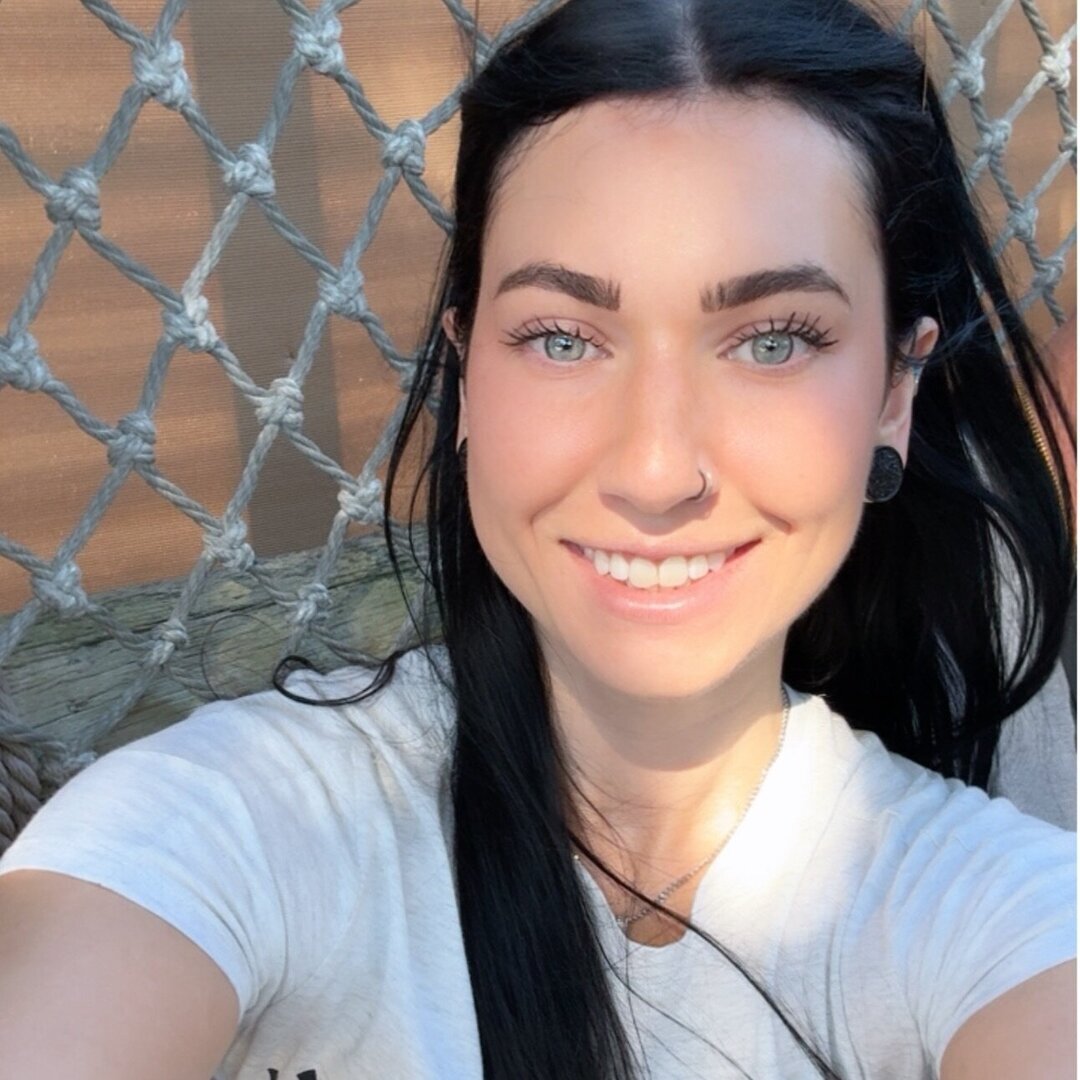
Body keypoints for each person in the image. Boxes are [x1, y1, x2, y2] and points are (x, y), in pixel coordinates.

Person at [0, 0, 1074, 1076]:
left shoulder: (999, 912)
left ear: (894, 392)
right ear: (469, 373)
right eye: (562, 338)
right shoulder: (243, 821)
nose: (655, 471)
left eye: (772, 341)